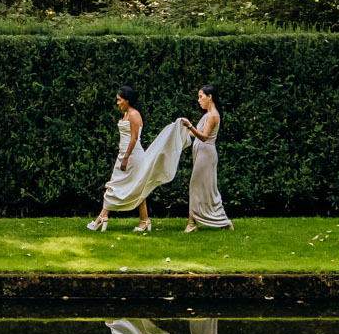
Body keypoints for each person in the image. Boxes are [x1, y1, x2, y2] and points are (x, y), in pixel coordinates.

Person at [89, 86, 184, 234]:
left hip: (132, 155)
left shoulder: (134, 114)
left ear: (127, 100)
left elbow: (134, 138)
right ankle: (144, 220)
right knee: (135, 186)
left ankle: (103, 216)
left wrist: (126, 158)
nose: (118, 103)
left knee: (118, 184)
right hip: (124, 153)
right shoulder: (127, 113)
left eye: (120, 100)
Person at [180, 85, 232, 233]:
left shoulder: (213, 115)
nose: (199, 100)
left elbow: (204, 137)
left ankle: (192, 223)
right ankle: (222, 221)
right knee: (205, 188)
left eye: (201, 96)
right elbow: (196, 134)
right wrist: (180, 131)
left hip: (206, 154)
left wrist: (190, 126)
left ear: (210, 97)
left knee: (198, 185)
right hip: (201, 153)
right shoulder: (207, 115)